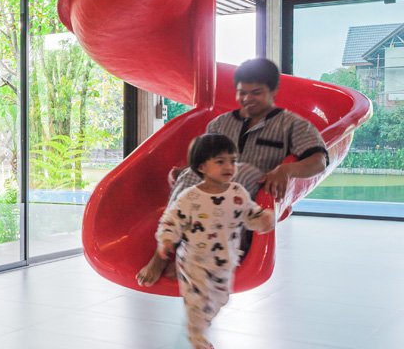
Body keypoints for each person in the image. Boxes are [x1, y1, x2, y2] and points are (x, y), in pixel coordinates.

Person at [137, 58, 328, 286]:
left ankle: (196, 258)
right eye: (242, 92)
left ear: (273, 90)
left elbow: (320, 160)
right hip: (210, 193)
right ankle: (166, 254)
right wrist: (184, 170)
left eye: (256, 92)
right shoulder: (219, 124)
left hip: (250, 193)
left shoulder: (293, 125)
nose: (247, 99)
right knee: (192, 178)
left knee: (236, 179)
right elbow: (206, 160)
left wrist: (286, 169)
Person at [157, 134, 277, 349]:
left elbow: (249, 215)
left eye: (232, 161)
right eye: (220, 161)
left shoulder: (237, 193)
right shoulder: (191, 197)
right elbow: (172, 220)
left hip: (224, 260)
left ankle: (200, 327)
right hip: (194, 262)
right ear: (202, 166)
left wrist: (263, 219)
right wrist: (166, 240)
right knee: (197, 303)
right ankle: (198, 341)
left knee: (219, 300)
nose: (229, 167)